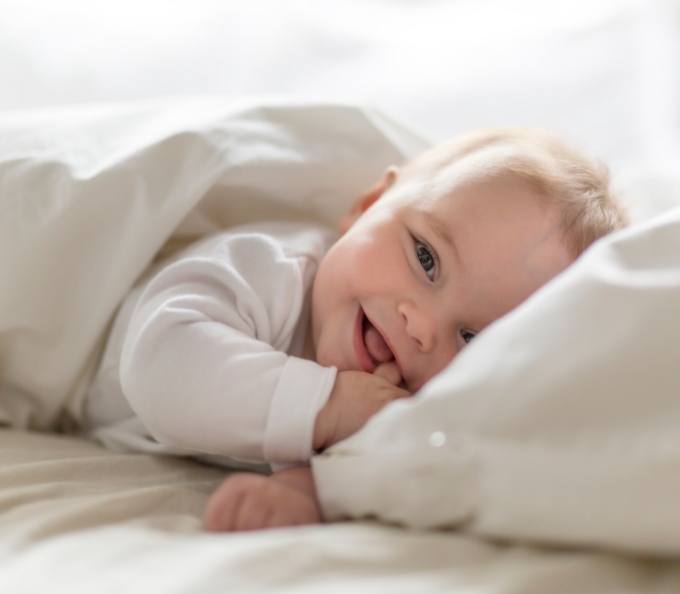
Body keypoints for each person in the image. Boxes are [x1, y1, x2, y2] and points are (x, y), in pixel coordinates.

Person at [82, 128, 628, 529]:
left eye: (473, 338)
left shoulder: (402, 401)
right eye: (426, 258)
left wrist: (304, 494)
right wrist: (327, 407)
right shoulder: (269, 270)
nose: (422, 325)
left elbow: (379, 461)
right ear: (368, 205)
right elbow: (160, 364)